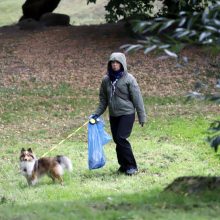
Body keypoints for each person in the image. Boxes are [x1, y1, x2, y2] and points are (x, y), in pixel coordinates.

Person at [91, 52, 146, 175]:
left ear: (122, 64)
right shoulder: (106, 80)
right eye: (112, 63)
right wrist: (96, 114)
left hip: (127, 113)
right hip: (114, 115)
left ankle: (132, 166)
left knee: (121, 138)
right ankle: (123, 166)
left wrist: (142, 116)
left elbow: (137, 98)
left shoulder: (129, 79)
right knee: (117, 140)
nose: (115, 65)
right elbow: (103, 100)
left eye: (117, 63)